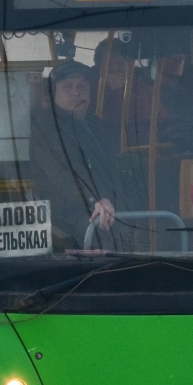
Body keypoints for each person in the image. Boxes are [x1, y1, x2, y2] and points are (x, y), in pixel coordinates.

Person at [28, 60, 120, 246]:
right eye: (67, 87)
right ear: (54, 94)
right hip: (68, 219)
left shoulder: (95, 125)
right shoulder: (48, 128)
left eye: (82, 86)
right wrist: (98, 198)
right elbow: (67, 173)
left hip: (105, 209)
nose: (76, 92)